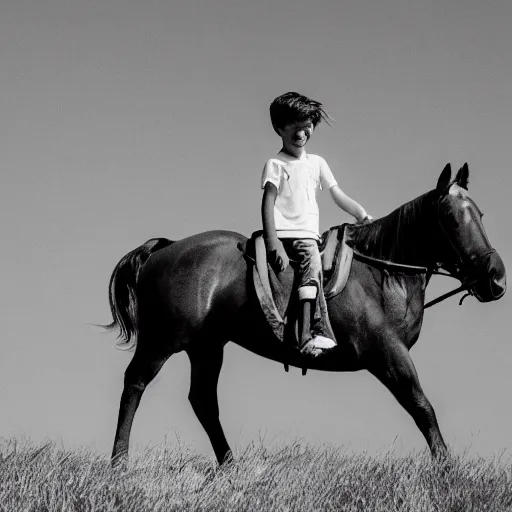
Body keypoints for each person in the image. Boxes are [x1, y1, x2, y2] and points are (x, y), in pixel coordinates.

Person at [261, 92, 371, 355]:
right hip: (292, 233)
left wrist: (362, 215)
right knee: (313, 264)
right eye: (294, 125)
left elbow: (337, 194)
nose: (302, 132)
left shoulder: (317, 163)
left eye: (306, 125)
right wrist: (272, 239)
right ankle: (312, 332)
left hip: (311, 234)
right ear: (279, 128)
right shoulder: (275, 164)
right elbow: (267, 202)